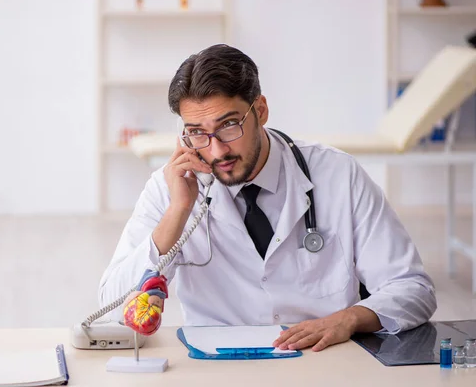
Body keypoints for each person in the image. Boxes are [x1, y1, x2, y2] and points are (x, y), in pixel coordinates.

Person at [98, 44, 437, 352]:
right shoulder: (170, 189)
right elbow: (112, 310)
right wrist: (178, 212)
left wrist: (349, 318)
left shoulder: (338, 174)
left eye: (229, 125)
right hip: (219, 368)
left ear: (260, 110)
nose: (216, 150)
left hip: (323, 360)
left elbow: (412, 288)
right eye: (197, 133)